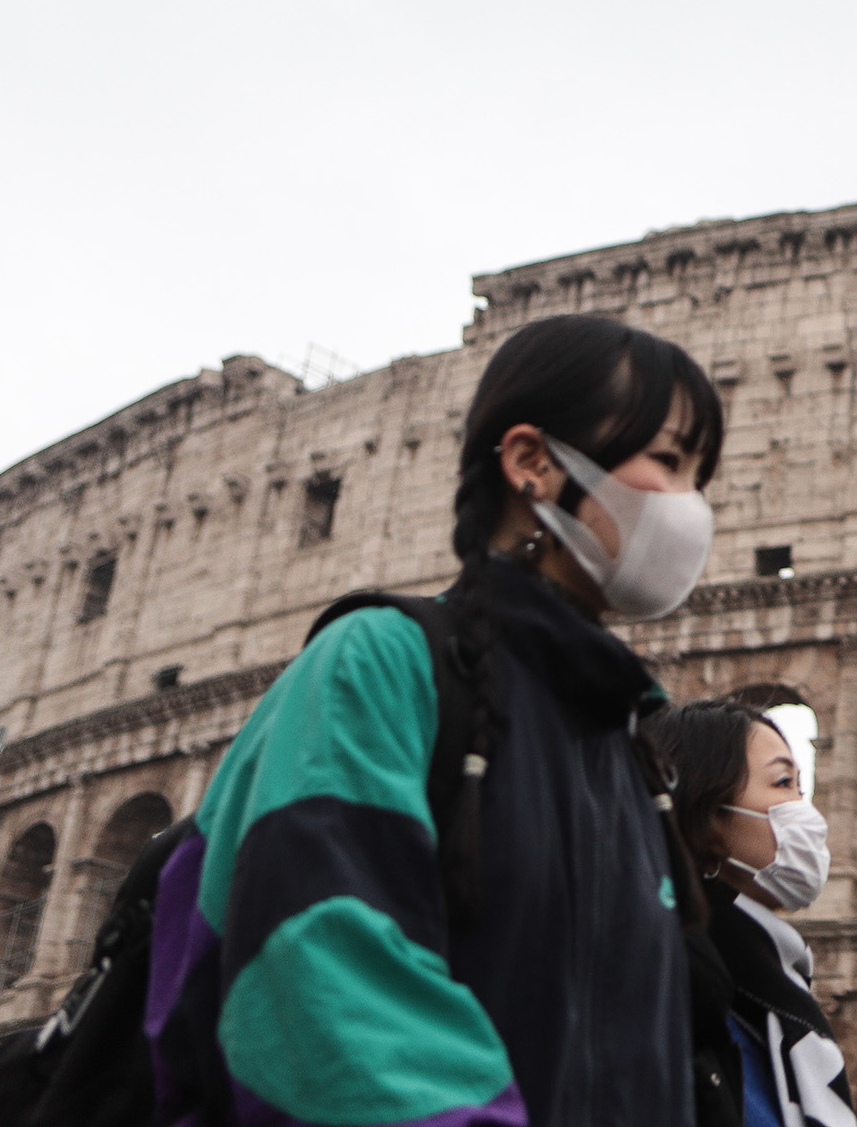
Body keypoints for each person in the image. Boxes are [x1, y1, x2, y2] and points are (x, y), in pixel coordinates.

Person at [145, 313, 724, 1127]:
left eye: (702, 477)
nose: (692, 507)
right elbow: (323, 986)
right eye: (668, 461)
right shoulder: (378, 661)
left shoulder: (623, 746)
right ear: (531, 462)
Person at [649, 699, 857, 1127]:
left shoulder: (773, 996)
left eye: (802, 788)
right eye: (782, 783)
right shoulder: (665, 994)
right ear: (705, 813)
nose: (807, 814)